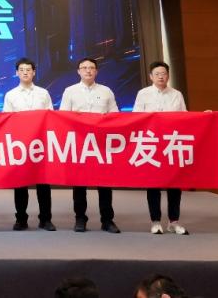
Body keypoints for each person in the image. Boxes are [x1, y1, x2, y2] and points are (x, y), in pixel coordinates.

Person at [59, 57, 121, 234]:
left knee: (105, 183)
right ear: (78, 71)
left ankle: (107, 220)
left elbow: (115, 115)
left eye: (91, 68)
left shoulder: (106, 91)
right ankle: (80, 218)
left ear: (96, 71)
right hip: (79, 144)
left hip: (101, 144)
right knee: (79, 183)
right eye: (84, 68)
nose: (88, 70)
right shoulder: (70, 91)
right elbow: (62, 117)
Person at [134, 61, 190, 235]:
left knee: (175, 184)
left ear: (168, 75)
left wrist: (205, 117)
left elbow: (185, 118)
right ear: (151, 76)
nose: (161, 76)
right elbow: (135, 118)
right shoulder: (143, 94)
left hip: (171, 144)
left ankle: (174, 221)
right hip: (151, 144)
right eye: (157, 74)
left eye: (164, 73)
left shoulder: (176, 94)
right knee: (153, 184)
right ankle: (155, 221)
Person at [2, 57, 55, 231]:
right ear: (16, 73)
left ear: (34, 72)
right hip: (20, 145)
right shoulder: (10, 95)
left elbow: (51, 117)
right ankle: (21, 219)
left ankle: (45, 219)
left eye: (28, 70)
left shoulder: (43, 93)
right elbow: (7, 120)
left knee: (43, 183)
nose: (25, 72)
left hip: (40, 144)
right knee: (20, 183)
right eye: (22, 70)